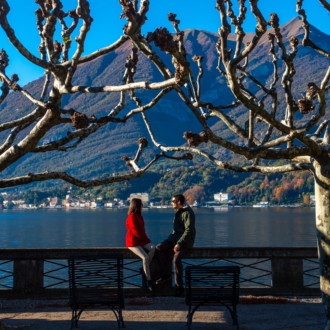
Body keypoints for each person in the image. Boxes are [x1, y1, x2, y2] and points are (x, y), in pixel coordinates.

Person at [155, 194, 196, 297]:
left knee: (176, 259)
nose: (171, 203)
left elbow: (189, 231)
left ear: (178, 202)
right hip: (174, 238)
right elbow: (176, 230)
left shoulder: (188, 213)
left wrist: (179, 244)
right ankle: (166, 274)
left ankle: (179, 288)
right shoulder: (178, 212)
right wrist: (170, 240)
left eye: (173, 201)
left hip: (186, 241)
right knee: (159, 248)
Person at [126, 198, 155, 291]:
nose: (142, 206)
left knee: (153, 248)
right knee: (145, 257)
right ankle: (148, 279)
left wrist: (147, 240)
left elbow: (142, 231)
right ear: (137, 206)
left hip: (141, 241)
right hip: (132, 242)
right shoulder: (132, 216)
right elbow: (135, 232)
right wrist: (147, 239)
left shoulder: (139, 216)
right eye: (141, 204)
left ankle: (143, 269)